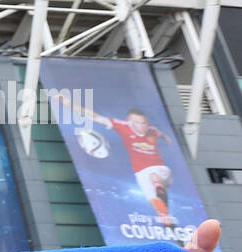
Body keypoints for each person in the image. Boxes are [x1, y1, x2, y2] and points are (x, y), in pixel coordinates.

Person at [58, 96, 178, 229]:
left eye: (144, 123)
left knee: (154, 178)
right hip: (140, 172)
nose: (142, 126)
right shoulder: (123, 127)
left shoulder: (153, 131)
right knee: (154, 201)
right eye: (137, 123)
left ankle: (159, 186)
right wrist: (70, 104)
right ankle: (169, 224)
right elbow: (96, 117)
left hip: (159, 168)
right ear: (130, 122)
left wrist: (167, 139)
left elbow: (160, 134)